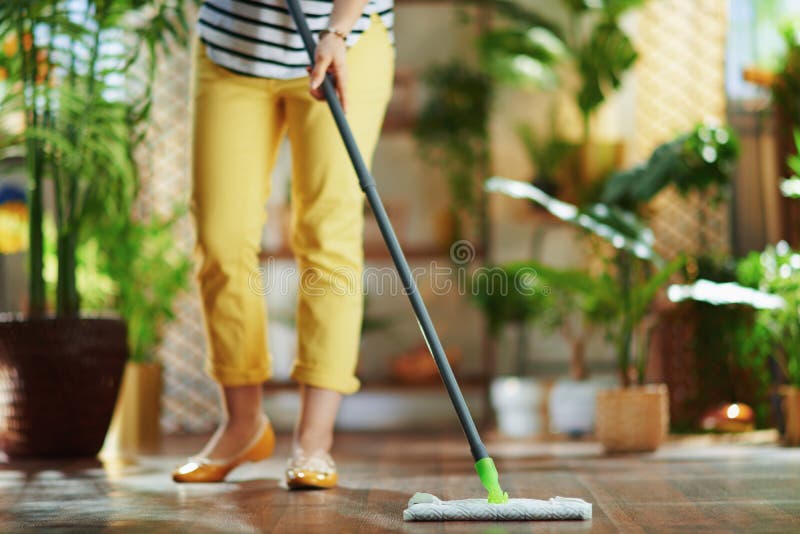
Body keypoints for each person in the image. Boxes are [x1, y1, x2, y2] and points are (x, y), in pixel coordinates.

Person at [172, 0, 395, 489]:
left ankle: (314, 441)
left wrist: (337, 30)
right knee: (220, 235)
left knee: (328, 235)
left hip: (344, 38)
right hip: (232, 46)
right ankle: (242, 424)